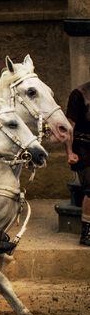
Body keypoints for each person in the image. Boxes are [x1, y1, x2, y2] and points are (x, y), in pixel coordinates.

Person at [66, 80, 90, 245]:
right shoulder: (80, 94)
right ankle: (87, 231)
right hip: (83, 147)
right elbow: (69, 127)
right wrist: (69, 151)